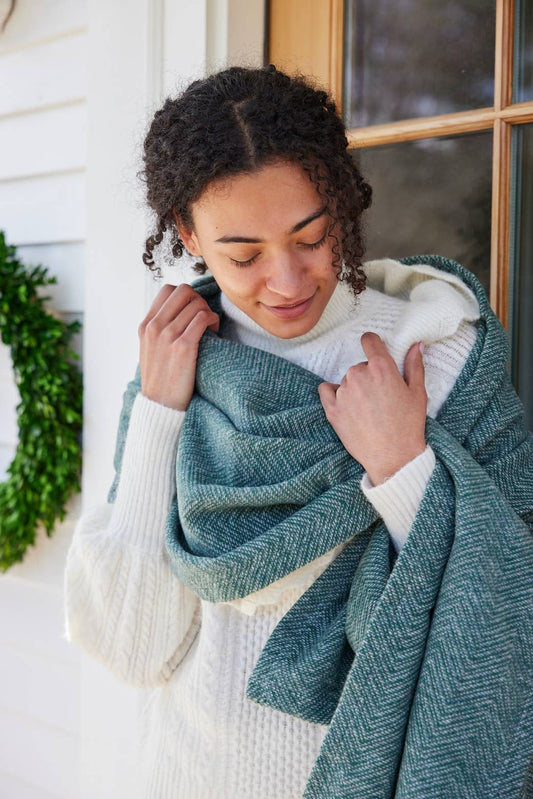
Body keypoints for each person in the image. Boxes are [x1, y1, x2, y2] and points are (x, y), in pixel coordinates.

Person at [64, 66, 533, 799]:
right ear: (188, 233)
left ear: (340, 205)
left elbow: (510, 595)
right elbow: (132, 648)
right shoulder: (183, 366)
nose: (285, 282)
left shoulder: (438, 347)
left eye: (311, 237)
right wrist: (158, 412)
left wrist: (404, 468)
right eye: (243, 255)